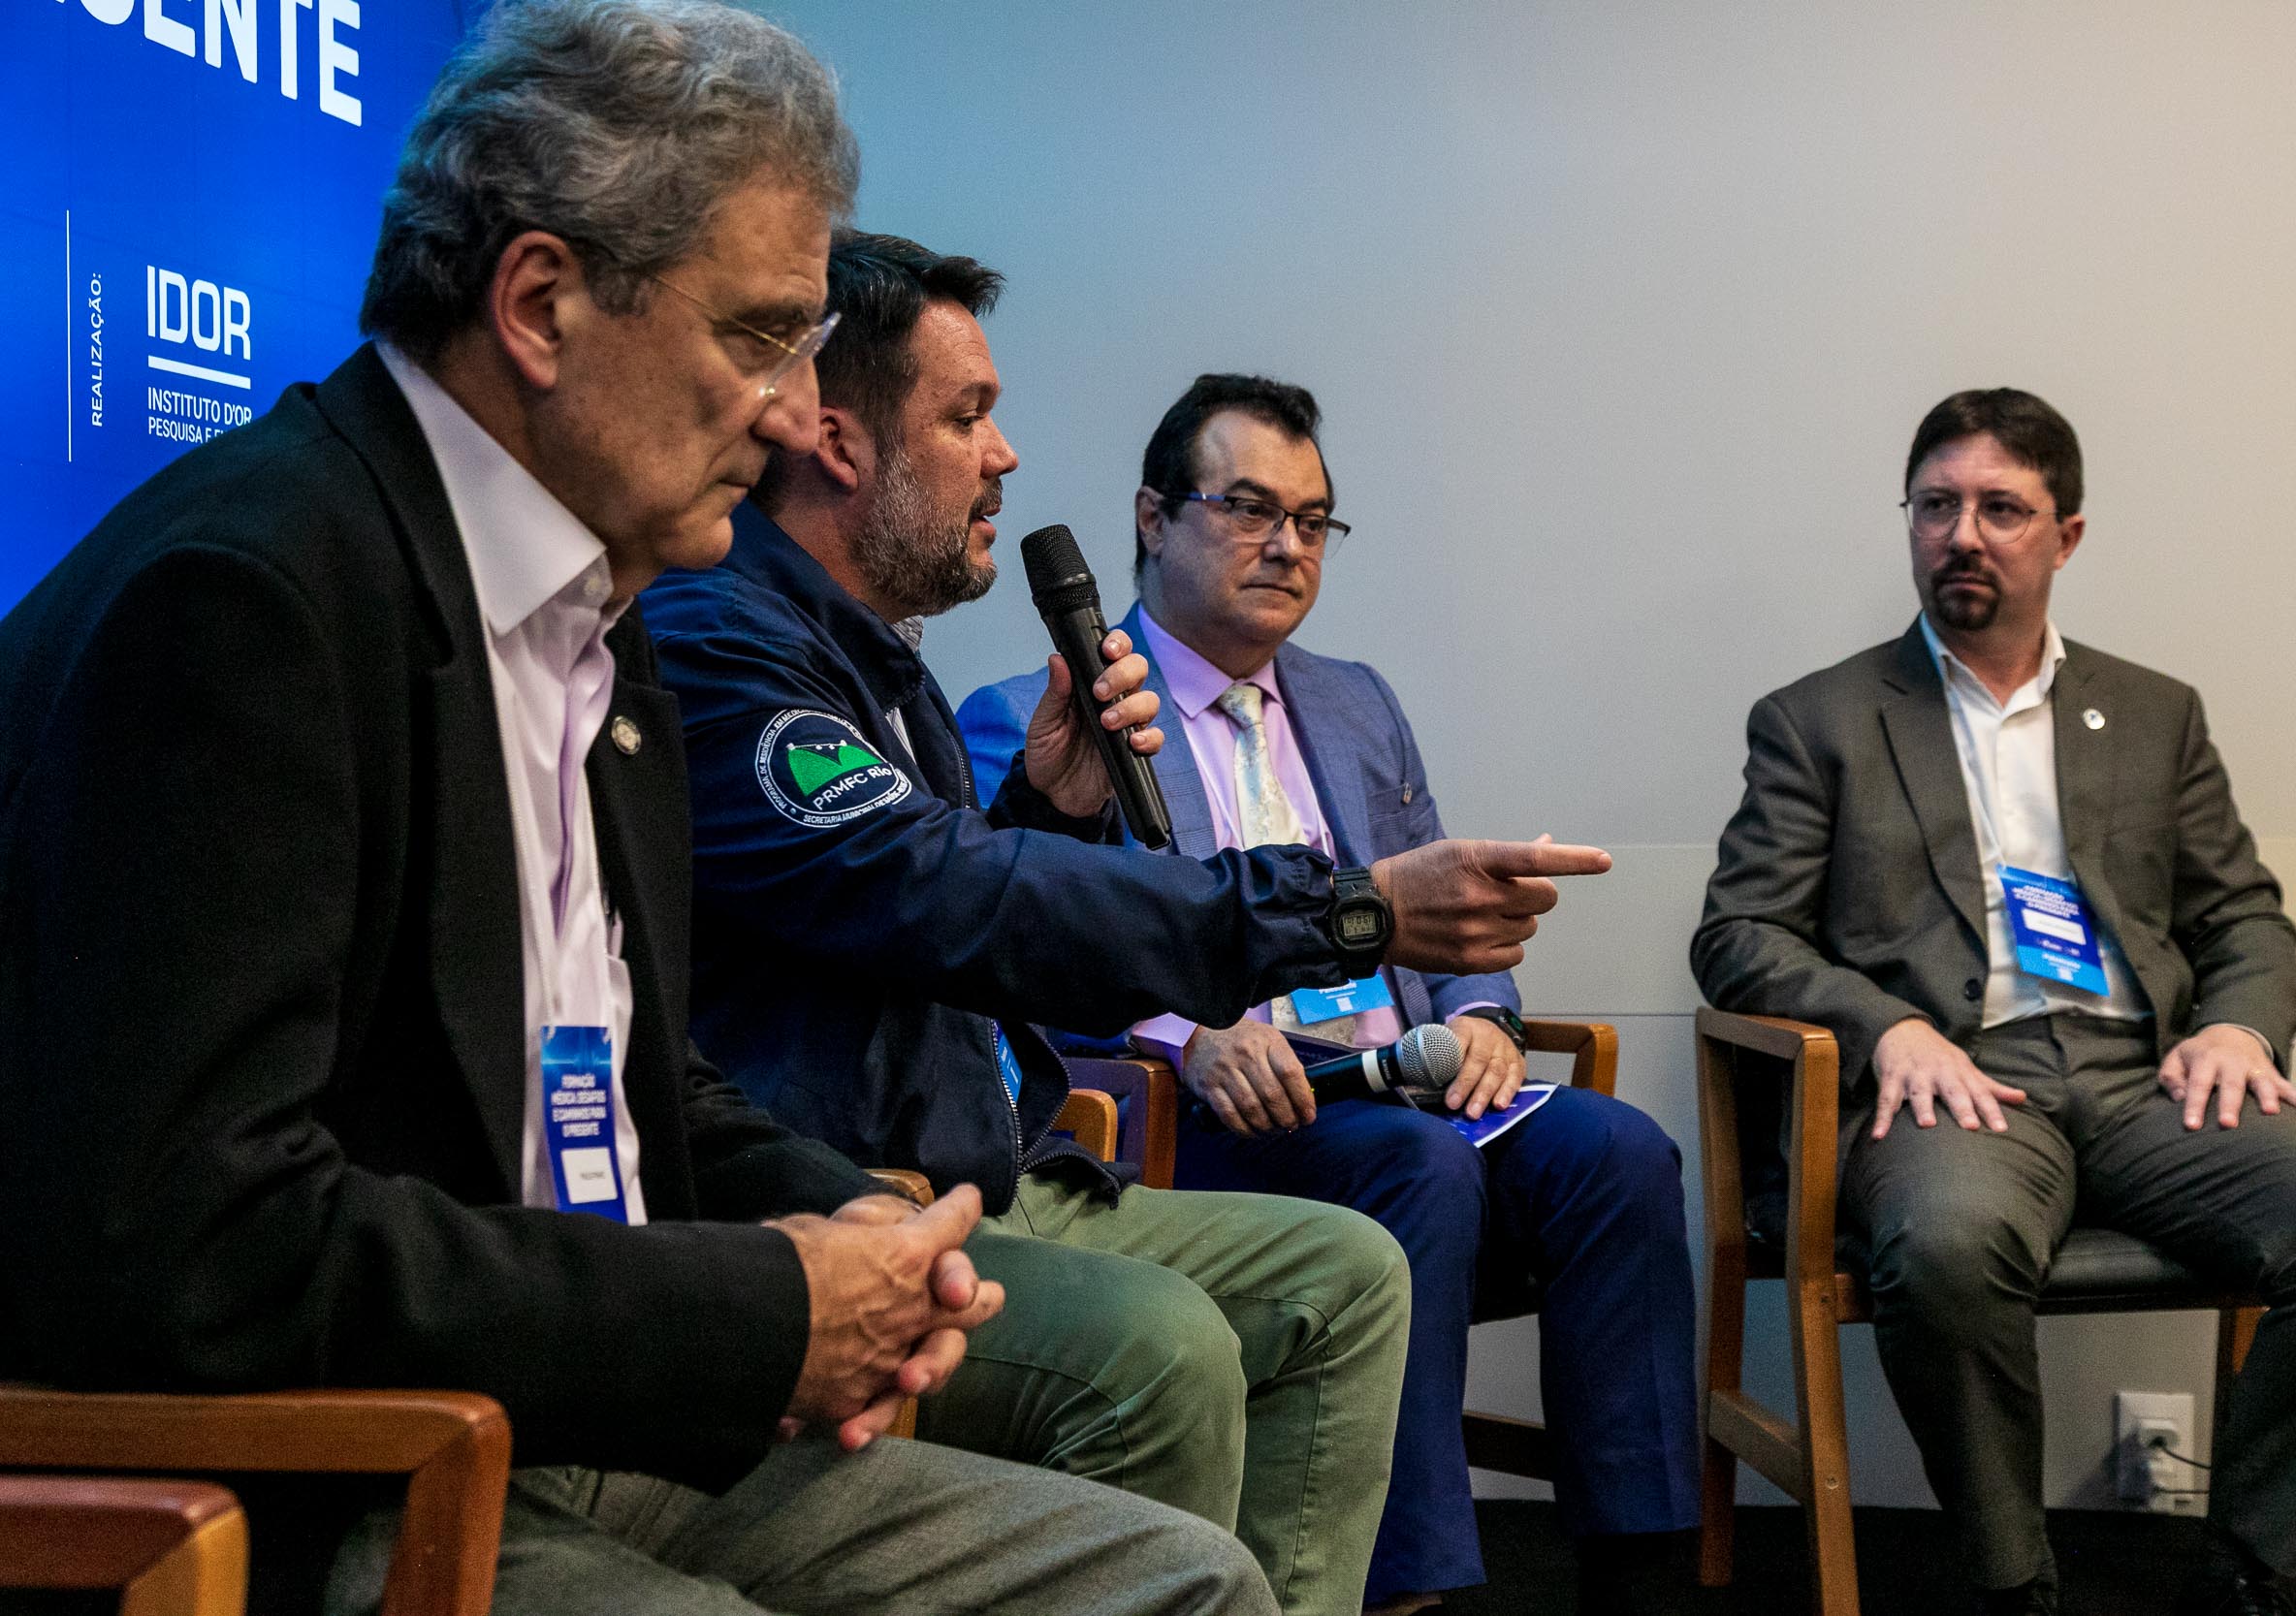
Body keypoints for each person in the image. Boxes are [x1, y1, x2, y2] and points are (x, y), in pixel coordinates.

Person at [0, 8, 1282, 1614]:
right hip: (340, 1471)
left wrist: (848, 1221)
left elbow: (625, 1077)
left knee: (1181, 1582)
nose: (793, 413)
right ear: (541, 303)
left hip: (587, 1408)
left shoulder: (602, 627)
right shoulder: (251, 601)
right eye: (758, 340)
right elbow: (194, 1243)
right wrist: (752, 1311)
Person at [642, 232, 1610, 1616]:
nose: (1006, 456)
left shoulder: (879, 655)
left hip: (1007, 1161)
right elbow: (930, 892)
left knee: (1351, 1273)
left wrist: (1048, 801)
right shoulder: (724, 641)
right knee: (1168, 1340)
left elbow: (941, 918)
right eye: (967, 417)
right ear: (839, 441)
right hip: (867, 1190)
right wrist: (1352, 909)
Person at [964, 373, 1702, 1616]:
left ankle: (1643, 1581)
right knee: (1420, 1166)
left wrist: (1480, 1016)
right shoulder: (1035, 720)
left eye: (1312, 520)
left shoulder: (1357, 700)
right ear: (1152, 516)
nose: (1287, 545)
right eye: (1249, 507)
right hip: (1215, 1113)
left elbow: (1446, 906)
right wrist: (1183, 1028)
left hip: (1402, 1079)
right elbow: (1015, 958)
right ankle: (1398, 1585)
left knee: (1617, 1153)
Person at [1690, 387, 2296, 1616]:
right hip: (1955, 1086)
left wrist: (2237, 1024)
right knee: (1947, 1244)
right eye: (1936, 506)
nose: (1961, 534)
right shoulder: (1819, 720)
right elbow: (1738, 932)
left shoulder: (2152, 712)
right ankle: (2012, 1579)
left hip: (2142, 1079)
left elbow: (2241, 914)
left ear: (2065, 534)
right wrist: (1888, 1027)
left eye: (2000, 508)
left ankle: (2253, 1562)